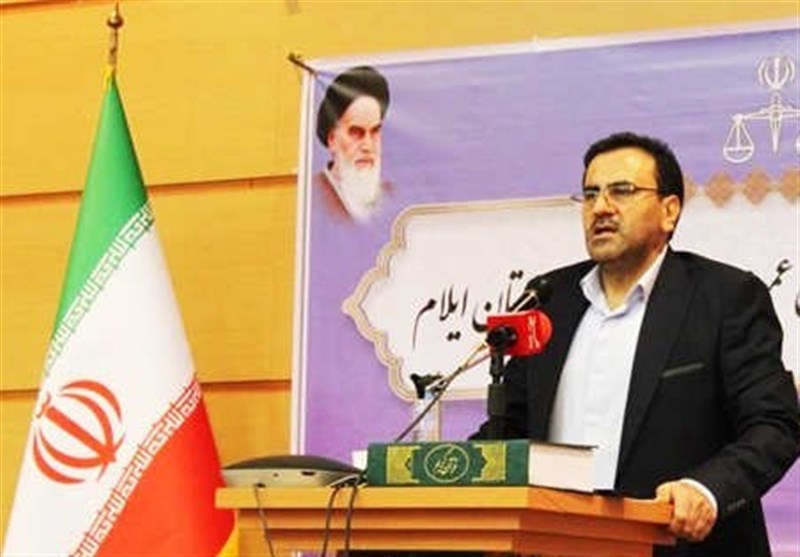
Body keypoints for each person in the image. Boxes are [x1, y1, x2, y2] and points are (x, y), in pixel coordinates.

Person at [473, 131, 800, 556]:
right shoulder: (549, 299)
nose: (601, 207)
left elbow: (775, 425)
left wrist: (707, 489)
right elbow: (509, 432)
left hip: (680, 547)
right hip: (554, 544)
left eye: (622, 191)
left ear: (669, 210)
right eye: (590, 194)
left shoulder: (725, 297)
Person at [314, 65, 392, 222]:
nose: (367, 146)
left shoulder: (390, 197)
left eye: (374, 132)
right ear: (332, 139)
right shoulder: (314, 196)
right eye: (356, 133)